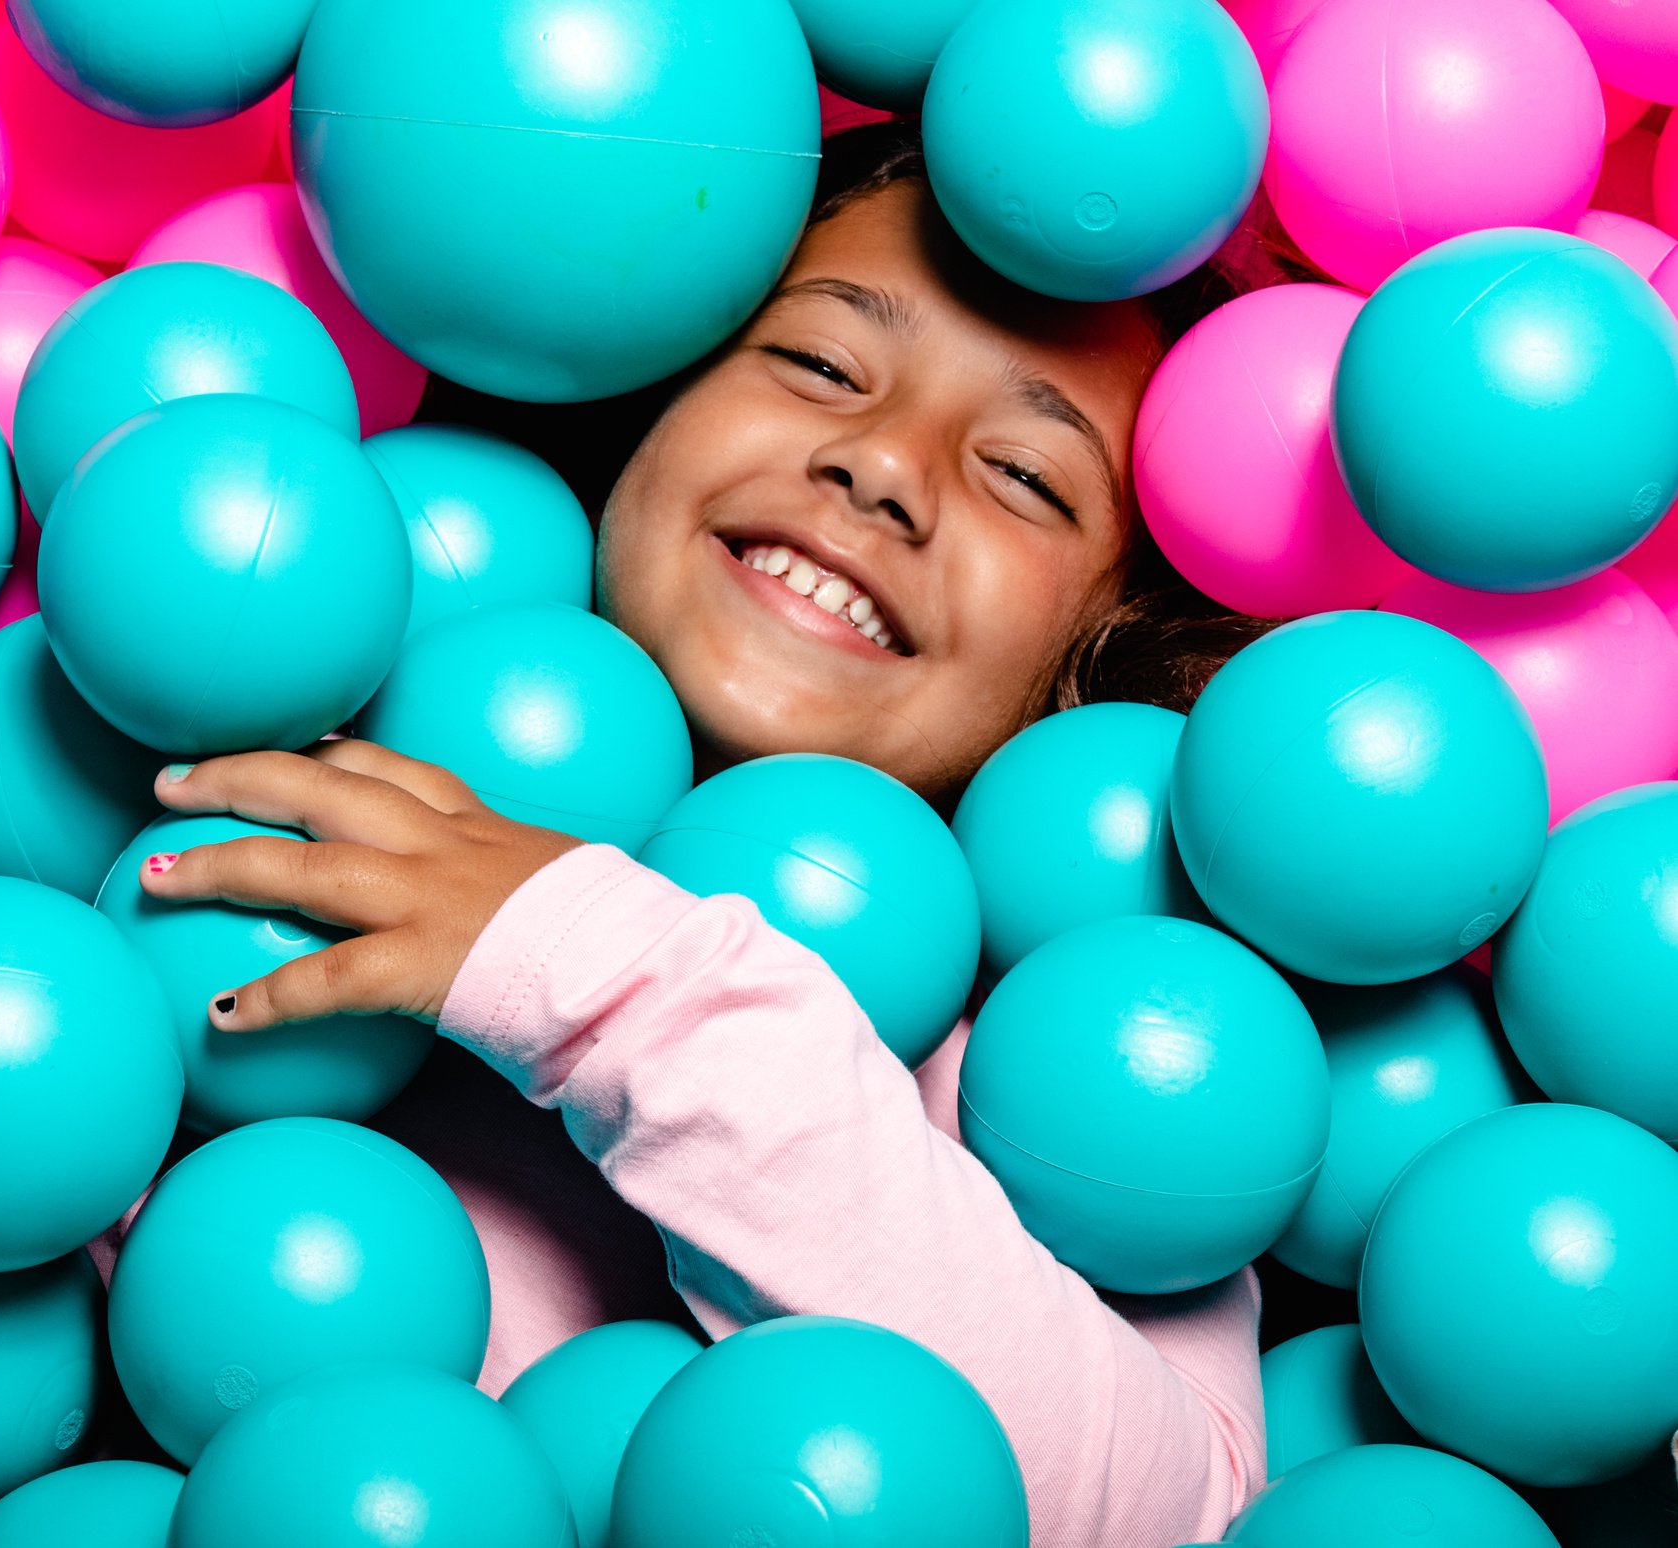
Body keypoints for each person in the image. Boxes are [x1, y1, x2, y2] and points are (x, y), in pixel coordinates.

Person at [130, 122, 1284, 1548]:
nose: (881, 467)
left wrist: (608, 978)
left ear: (1097, 659)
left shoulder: (1079, 1079)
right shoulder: (307, 765)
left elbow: (1189, 1518)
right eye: (819, 365)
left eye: (1026, 477)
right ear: (641, 393)